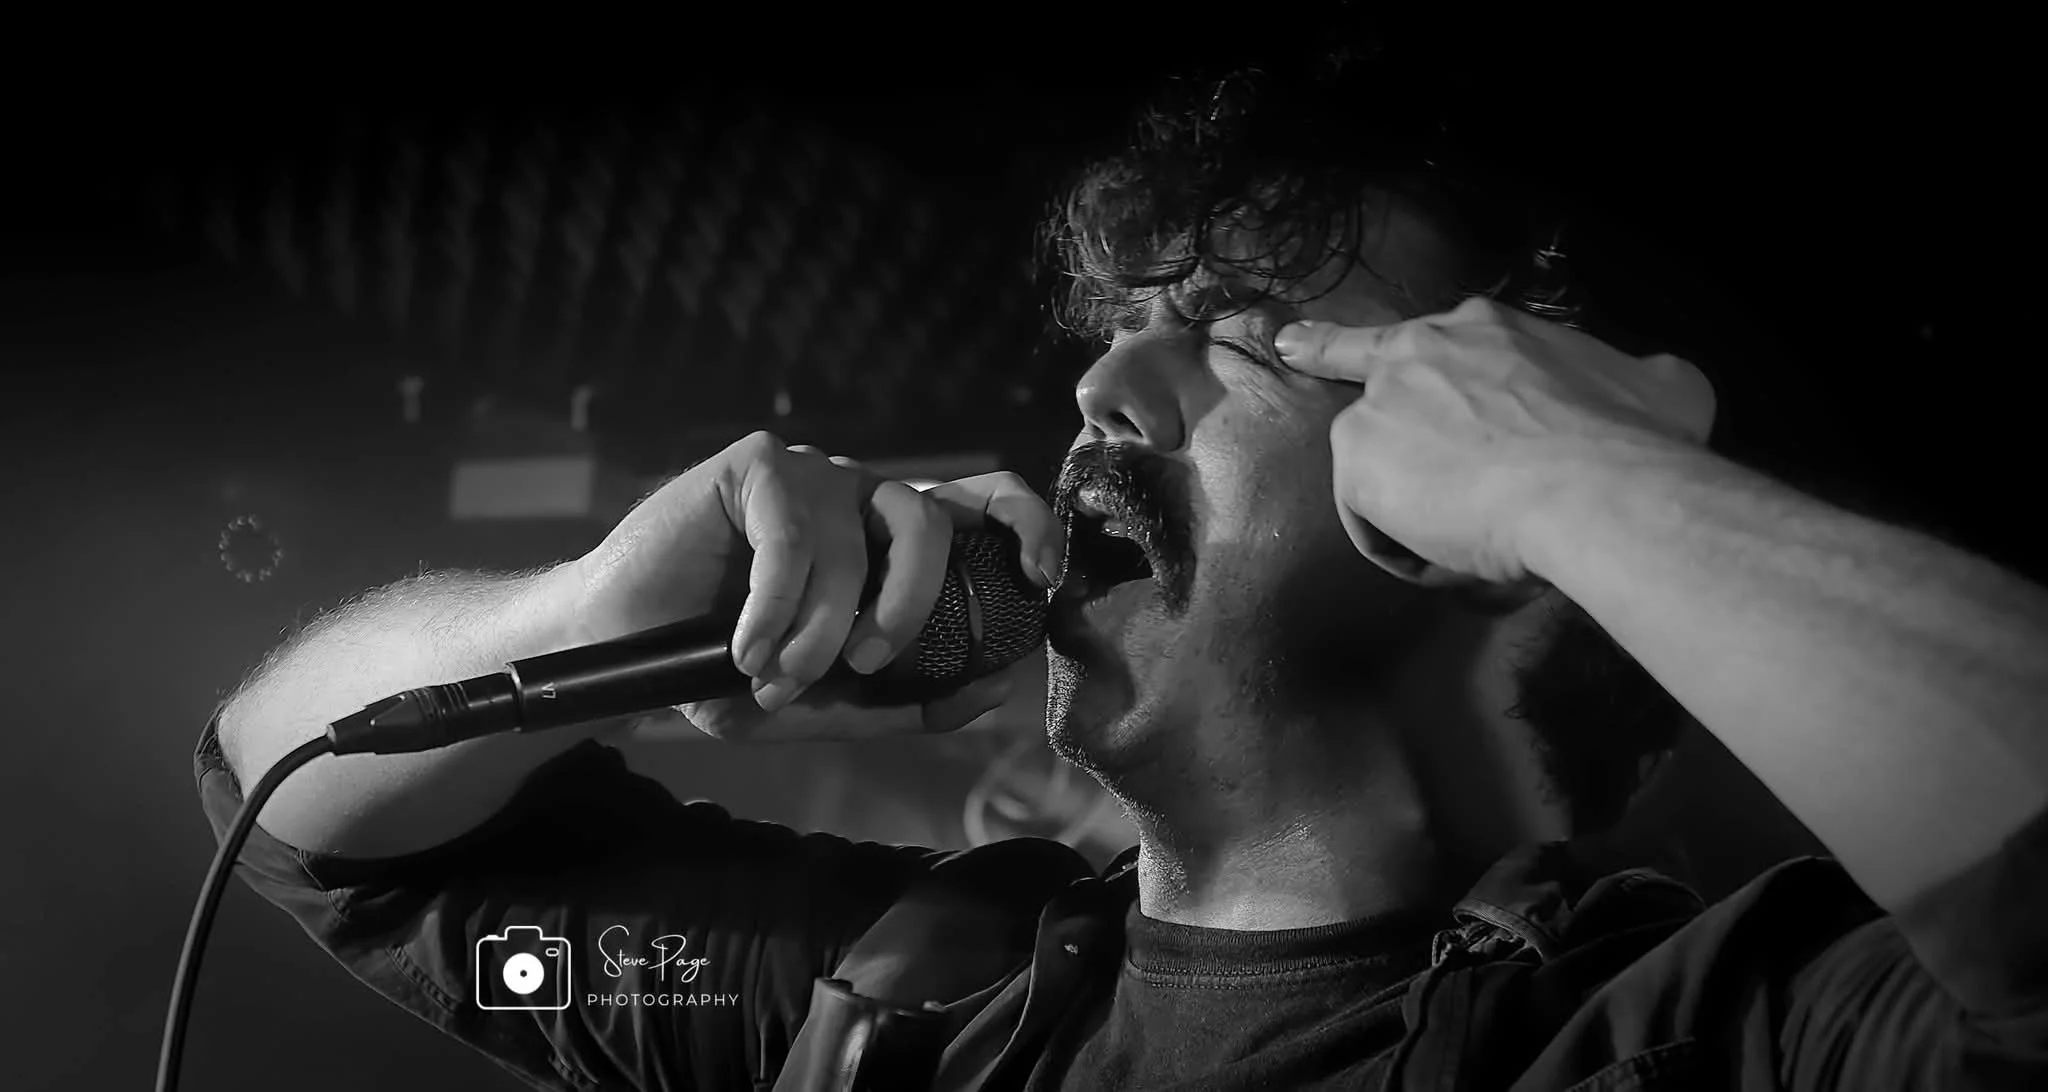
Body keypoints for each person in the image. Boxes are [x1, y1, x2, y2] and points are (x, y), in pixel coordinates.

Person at [197, 56, 2048, 1092]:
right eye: (1120, 332)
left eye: (1243, 335)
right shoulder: (891, 994)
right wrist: (591, 606)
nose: (1101, 387)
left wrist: (1595, 482)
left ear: (1480, 490)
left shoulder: (1720, 1038)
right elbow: (308, 829)